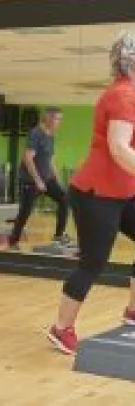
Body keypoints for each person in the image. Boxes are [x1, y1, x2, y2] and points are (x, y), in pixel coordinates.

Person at [48, 31, 135, 355]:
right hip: (96, 193)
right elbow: (118, 147)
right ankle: (61, 328)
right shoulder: (123, 95)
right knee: (93, 262)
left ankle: (133, 312)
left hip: (124, 191)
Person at [7, 107, 73, 250]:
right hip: (30, 181)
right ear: (48, 118)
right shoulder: (36, 133)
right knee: (25, 212)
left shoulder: (50, 135)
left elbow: (50, 160)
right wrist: (37, 180)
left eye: (60, 119)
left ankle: (58, 236)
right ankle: (12, 242)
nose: (59, 123)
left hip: (47, 179)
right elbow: (27, 158)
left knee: (64, 199)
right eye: (57, 119)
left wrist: (57, 180)